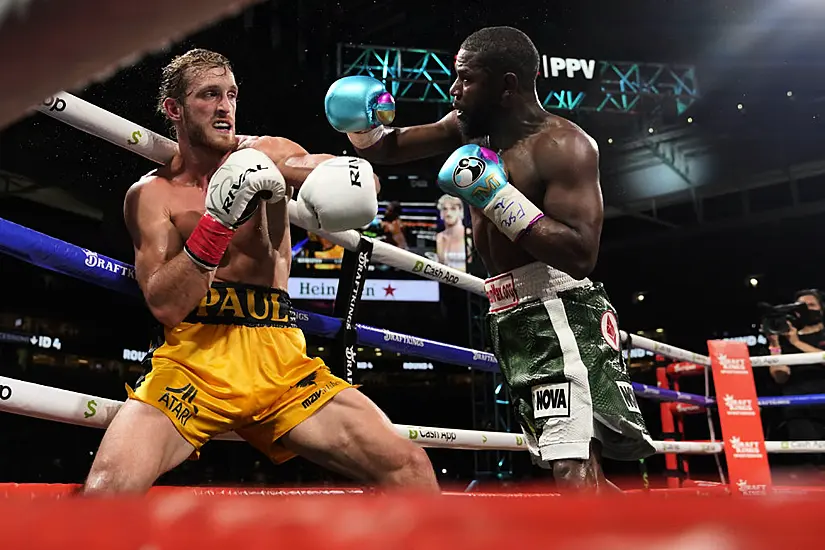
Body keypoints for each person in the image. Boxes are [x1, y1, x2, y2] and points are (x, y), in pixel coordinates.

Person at [82, 48, 438, 494]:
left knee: (409, 467)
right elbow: (165, 304)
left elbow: (338, 176)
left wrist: (354, 170)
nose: (225, 107)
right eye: (209, 95)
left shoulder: (266, 154)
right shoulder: (152, 195)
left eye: (230, 95)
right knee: (106, 491)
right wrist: (217, 222)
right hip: (193, 364)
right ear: (174, 109)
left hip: (282, 363)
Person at [325, 27, 655, 492]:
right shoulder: (469, 128)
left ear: (507, 85)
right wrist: (363, 123)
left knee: (570, 464)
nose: (453, 90)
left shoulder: (562, 146)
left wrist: (497, 196)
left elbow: (580, 254)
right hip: (510, 312)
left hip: (558, 310)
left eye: (466, 80)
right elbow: (390, 147)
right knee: (576, 463)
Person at [435, 194, 468, 272]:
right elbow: (441, 266)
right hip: (447, 282)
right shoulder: (440, 237)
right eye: (445, 209)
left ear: (460, 211)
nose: (448, 213)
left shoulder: (469, 235)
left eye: (453, 209)